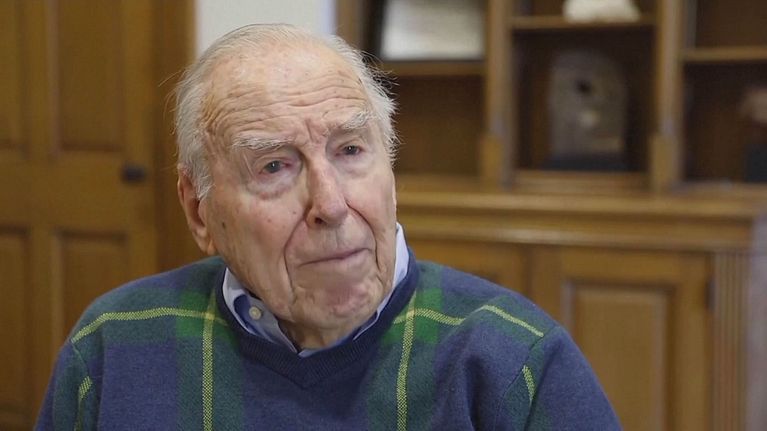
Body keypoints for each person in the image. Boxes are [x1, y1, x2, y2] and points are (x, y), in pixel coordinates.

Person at [36, 24, 620, 430]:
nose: (332, 205)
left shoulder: (516, 360)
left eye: (350, 150)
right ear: (198, 211)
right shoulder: (114, 348)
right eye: (274, 166)